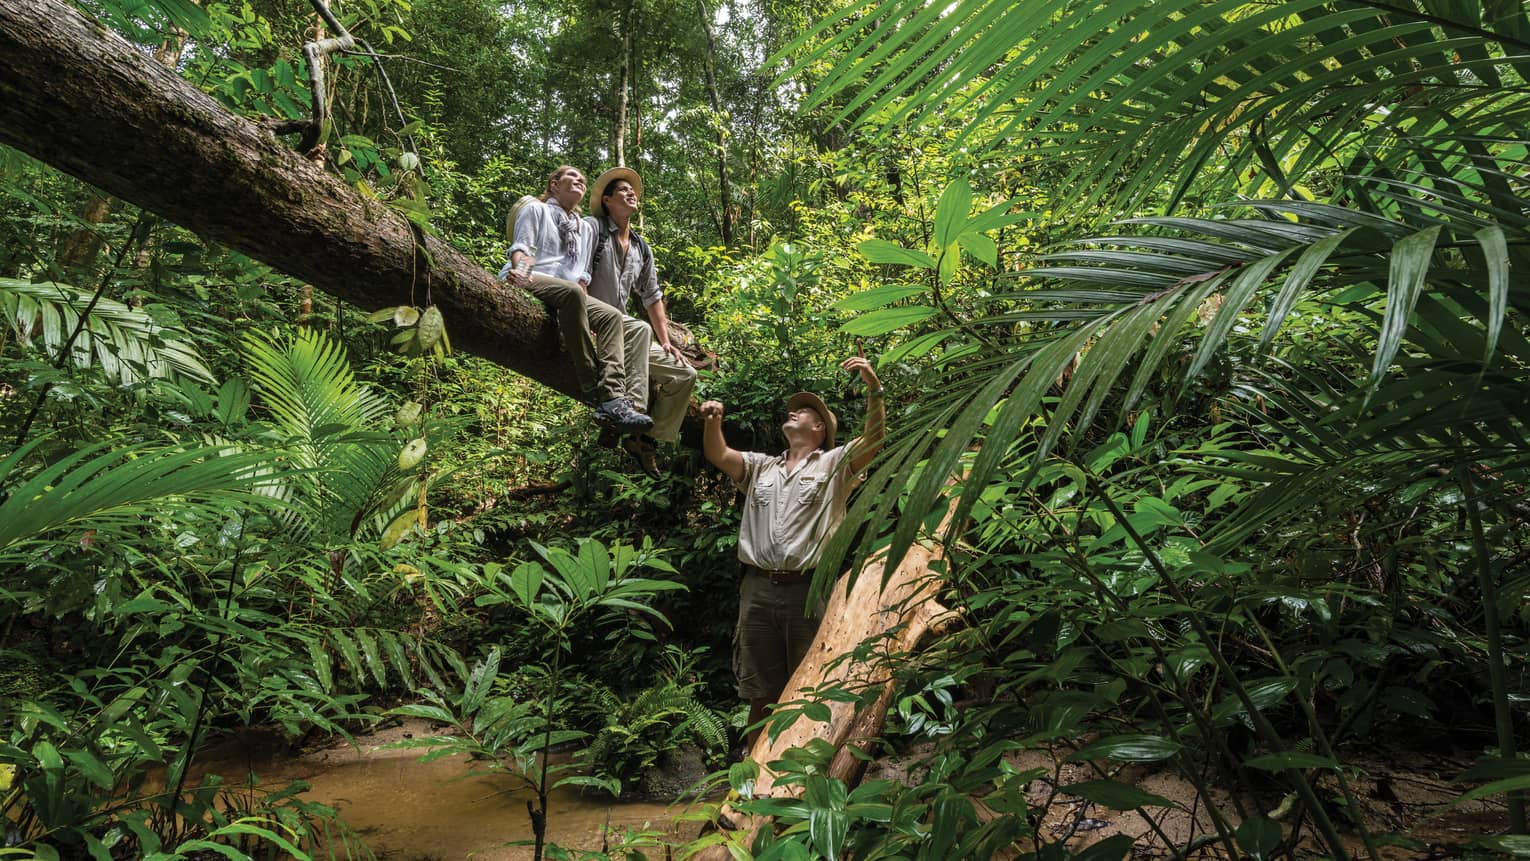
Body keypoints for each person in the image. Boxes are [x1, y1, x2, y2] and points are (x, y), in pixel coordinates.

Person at [700, 357, 885, 751]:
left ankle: (802, 775)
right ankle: (751, 774)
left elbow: (875, 440)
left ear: (819, 428)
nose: (794, 411)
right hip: (758, 590)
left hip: (808, 590)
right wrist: (713, 421)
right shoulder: (761, 468)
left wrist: (874, 390)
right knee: (759, 692)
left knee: (811, 686)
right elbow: (720, 455)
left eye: (804, 410)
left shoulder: (835, 465)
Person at [501, 165, 651, 434]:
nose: (580, 181)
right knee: (571, 294)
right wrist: (521, 276)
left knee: (611, 315)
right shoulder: (537, 209)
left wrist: (588, 314)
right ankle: (591, 386)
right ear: (554, 184)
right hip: (534, 277)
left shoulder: (582, 228)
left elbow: (581, 277)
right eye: (573, 177)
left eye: (583, 179)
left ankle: (614, 398)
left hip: (567, 290)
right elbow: (522, 248)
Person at [584, 167, 699, 477]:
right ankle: (630, 411)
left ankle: (643, 440)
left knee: (684, 374)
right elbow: (577, 277)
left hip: (627, 331)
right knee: (639, 328)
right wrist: (584, 324)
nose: (631, 193)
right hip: (597, 325)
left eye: (632, 190)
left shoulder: (640, 247)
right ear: (607, 200)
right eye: (622, 190)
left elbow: (651, 297)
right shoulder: (592, 230)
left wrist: (666, 342)